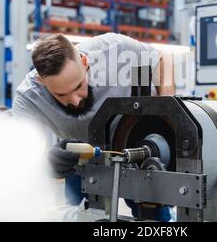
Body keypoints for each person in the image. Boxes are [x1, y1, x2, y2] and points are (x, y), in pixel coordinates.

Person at [12, 32, 175, 221]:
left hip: (138, 156)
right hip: (81, 164)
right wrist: (47, 162)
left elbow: (163, 58)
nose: (74, 100)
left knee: (155, 222)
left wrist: (168, 111)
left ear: (84, 61)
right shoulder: (28, 97)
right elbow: (19, 159)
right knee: (78, 217)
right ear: (42, 81)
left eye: (78, 86)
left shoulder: (115, 49)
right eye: (60, 95)